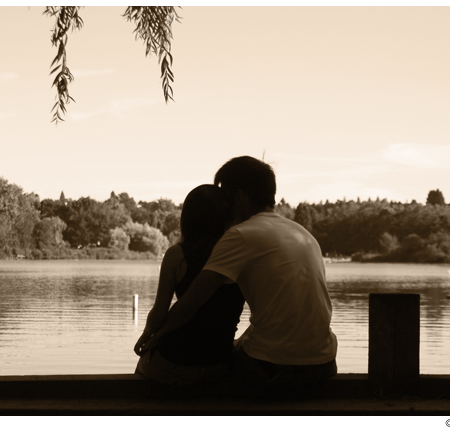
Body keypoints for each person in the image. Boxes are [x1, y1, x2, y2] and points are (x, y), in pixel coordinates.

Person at [139, 156, 337, 386]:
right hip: (325, 365)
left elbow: (189, 305)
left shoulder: (240, 235)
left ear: (239, 197)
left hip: (273, 370)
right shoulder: (303, 234)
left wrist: (154, 338)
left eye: (225, 197)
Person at [133, 184, 245, 386]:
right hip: (219, 364)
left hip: (174, 362)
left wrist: (148, 335)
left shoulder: (177, 255)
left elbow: (159, 312)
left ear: (188, 217)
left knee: (143, 368)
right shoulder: (239, 253)